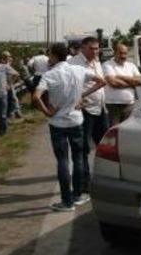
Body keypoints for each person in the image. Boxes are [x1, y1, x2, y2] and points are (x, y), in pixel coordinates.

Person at [33, 43, 105, 212]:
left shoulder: (49, 75)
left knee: (63, 161)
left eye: (50, 55)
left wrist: (47, 112)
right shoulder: (78, 70)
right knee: (78, 158)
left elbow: (36, 97)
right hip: (76, 120)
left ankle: (66, 202)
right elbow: (102, 81)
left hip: (57, 123)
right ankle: (78, 195)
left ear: (54, 56)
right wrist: (81, 95)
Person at [68, 36, 107, 193]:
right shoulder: (73, 64)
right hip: (85, 111)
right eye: (92, 48)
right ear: (83, 48)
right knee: (83, 147)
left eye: (97, 48)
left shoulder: (96, 61)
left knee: (104, 145)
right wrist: (78, 97)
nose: (95, 51)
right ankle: (85, 182)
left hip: (100, 109)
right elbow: (68, 86)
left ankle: (105, 178)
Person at [102, 42, 141, 125]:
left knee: (127, 129)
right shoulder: (107, 65)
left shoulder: (131, 65)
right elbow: (113, 83)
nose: (123, 56)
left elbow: (140, 81)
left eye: (125, 53)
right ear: (114, 53)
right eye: (120, 53)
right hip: (113, 105)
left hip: (129, 104)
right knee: (115, 129)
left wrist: (120, 76)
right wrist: (132, 83)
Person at [1, 51, 22, 120]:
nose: (8, 58)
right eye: (7, 57)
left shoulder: (6, 65)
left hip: (8, 85)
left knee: (13, 99)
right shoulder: (3, 65)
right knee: (9, 100)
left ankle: (16, 113)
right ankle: (11, 114)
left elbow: (16, 74)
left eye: (8, 56)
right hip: (5, 86)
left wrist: (11, 83)